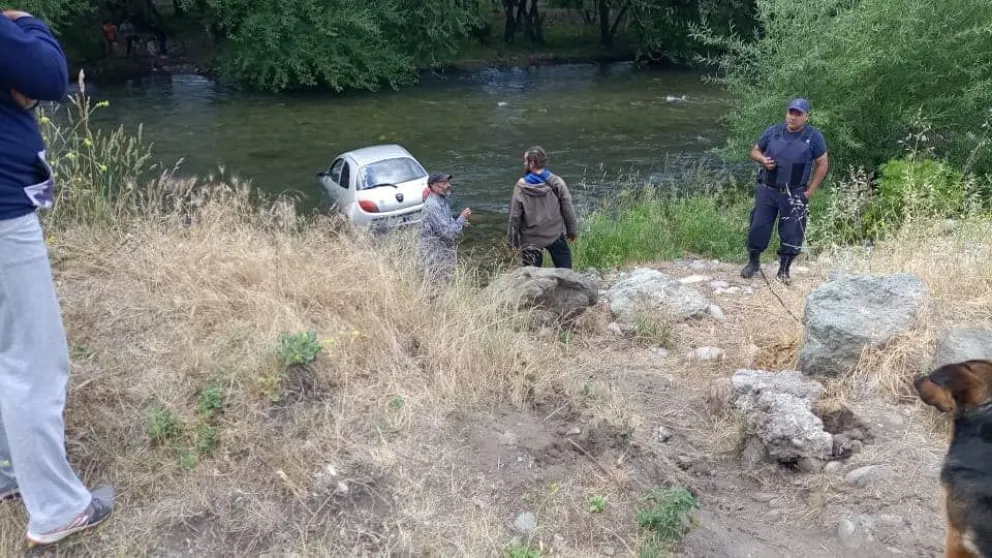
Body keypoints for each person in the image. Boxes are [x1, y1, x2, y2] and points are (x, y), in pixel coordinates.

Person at [0, 9, 115, 546]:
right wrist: (31, 22)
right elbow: (49, 76)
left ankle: (6, 473)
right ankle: (57, 510)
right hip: (2, 218)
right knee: (35, 362)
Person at [740, 98, 829, 284]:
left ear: (806, 116)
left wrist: (810, 192)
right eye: (791, 113)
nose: (793, 117)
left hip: (795, 192)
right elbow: (755, 151)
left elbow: (822, 164)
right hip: (768, 189)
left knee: (792, 232)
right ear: (786, 113)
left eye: (798, 114)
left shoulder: (814, 137)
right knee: (758, 227)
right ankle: (753, 262)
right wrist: (763, 160)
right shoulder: (773, 131)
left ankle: (784, 270)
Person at [506, 146, 578, 269]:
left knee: (532, 277)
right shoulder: (557, 182)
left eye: (525, 161)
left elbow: (514, 217)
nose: (524, 163)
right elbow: (567, 208)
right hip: (554, 234)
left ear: (532, 163)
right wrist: (572, 232)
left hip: (531, 239)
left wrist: (512, 242)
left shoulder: (520, 188)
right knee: (566, 270)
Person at [418, 172, 471, 296]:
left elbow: (448, 223)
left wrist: (460, 223)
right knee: (436, 287)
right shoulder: (433, 206)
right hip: (435, 254)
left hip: (443, 251)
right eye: (444, 183)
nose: (448, 185)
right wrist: (462, 218)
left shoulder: (442, 201)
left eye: (448, 182)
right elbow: (448, 233)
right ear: (433, 186)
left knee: (444, 285)